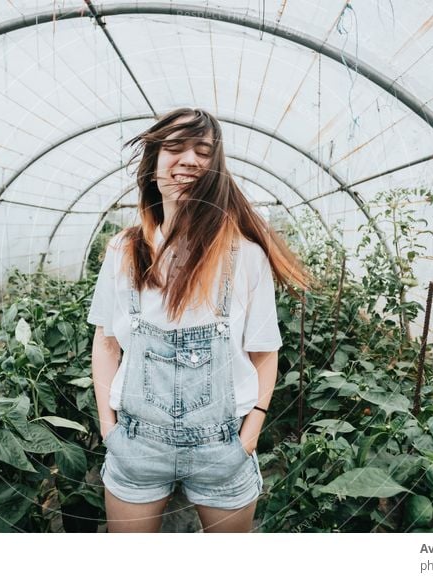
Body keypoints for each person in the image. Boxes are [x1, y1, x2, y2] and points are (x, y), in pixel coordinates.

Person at [87, 107, 310, 533]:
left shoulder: (244, 256)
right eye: (174, 147)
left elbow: (265, 352)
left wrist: (249, 438)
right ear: (152, 164)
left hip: (221, 448)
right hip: (136, 443)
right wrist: (108, 428)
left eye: (203, 151)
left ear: (215, 169)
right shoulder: (124, 250)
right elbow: (106, 342)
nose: (189, 159)